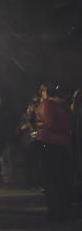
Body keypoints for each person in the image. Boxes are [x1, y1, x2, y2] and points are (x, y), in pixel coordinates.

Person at [34, 84, 73, 222]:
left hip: (54, 144)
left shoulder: (51, 106)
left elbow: (48, 123)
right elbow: (55, 123)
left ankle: (57, 211)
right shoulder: (57, 106)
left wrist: (40, 126)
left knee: (55, 179)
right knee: (57, 180)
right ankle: (60, 211)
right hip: (57, 144)